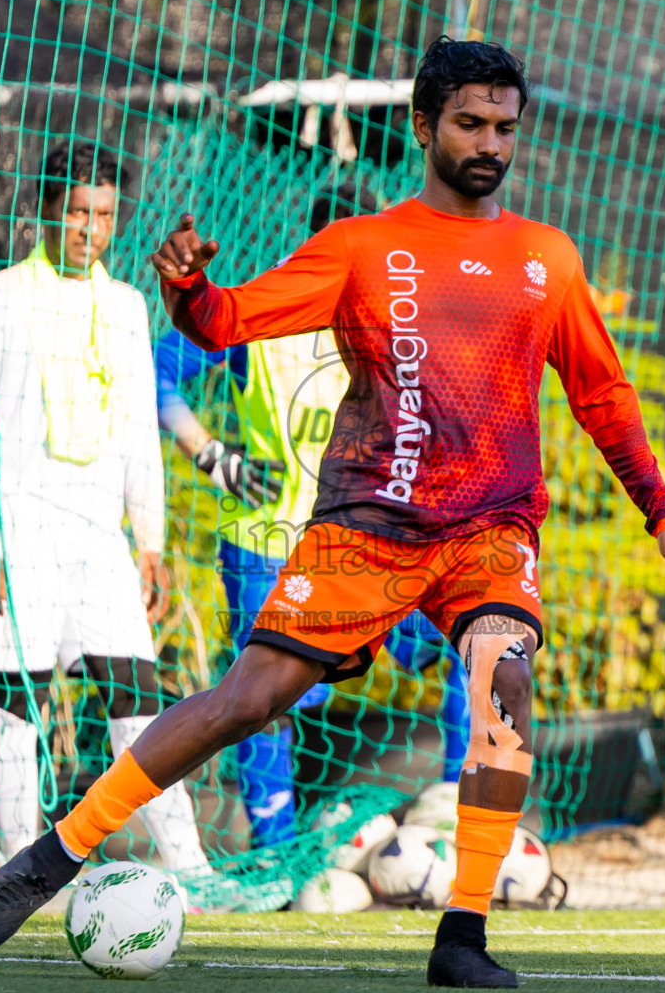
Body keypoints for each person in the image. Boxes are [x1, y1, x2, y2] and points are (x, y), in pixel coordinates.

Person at [0, 38, 665, 987]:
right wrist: (190, 286)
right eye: (470, 124)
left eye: (505, 128)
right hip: (368, 526)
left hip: (490, 530)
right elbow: (227, 322)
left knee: (505, 680)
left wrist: (664, 513)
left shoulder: (546, 259)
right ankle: (56, 854)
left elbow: (603, 398)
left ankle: (463, 937)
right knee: (249, 701)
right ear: (423, 125)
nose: (490, 143)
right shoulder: (364, 246)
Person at [153, 180, 469, 848]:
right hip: (271, 541)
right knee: (263, 705)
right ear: (321, 246)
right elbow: (156, 373)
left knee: (481, 639)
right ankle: (276, 858)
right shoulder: (264, 313)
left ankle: (454, 816)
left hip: (378, 546)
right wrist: (213, 457)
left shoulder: (407, 329)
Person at [0, 139, 211, 876]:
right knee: (20, 696)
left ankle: (189, 862)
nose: (91, 228)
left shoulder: (127, 304)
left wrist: (150, 536)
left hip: (100, 534)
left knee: (136, 690)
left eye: (104, 214)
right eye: (77, 211)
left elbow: (142, 425)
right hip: (21, 521)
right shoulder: (1, 293)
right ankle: (17, 858)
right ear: (46, 211)